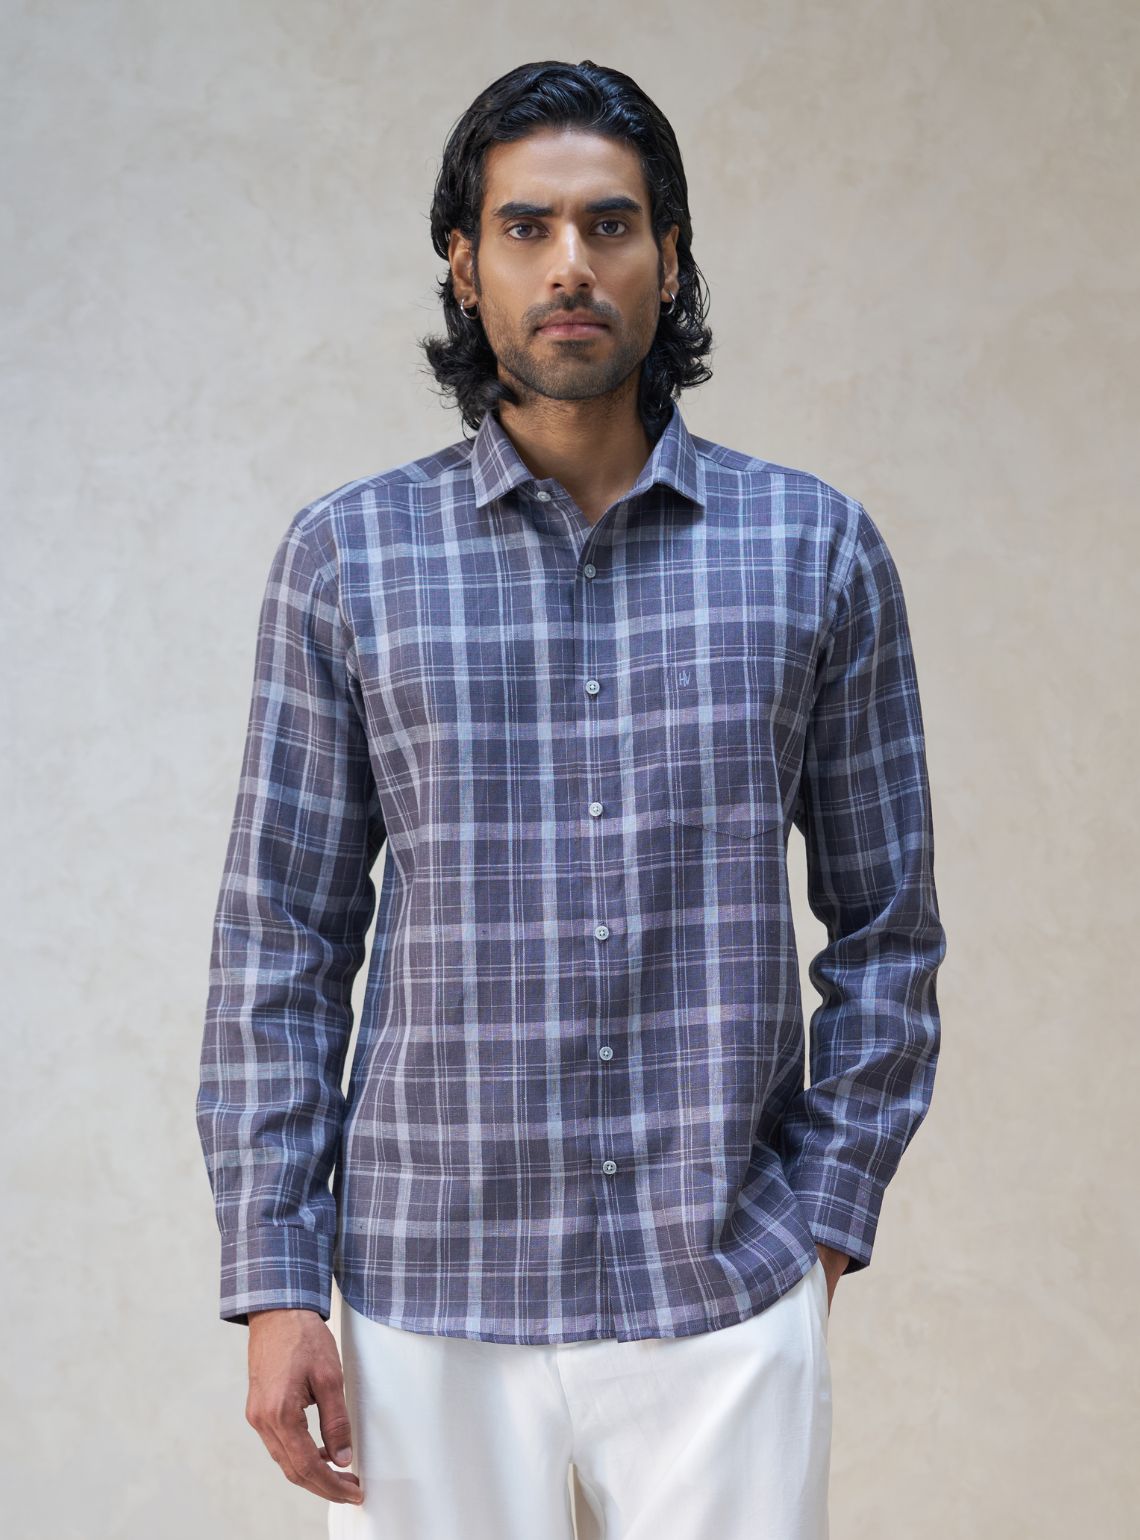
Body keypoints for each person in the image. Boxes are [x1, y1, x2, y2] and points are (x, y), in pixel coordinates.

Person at [196, 57, 947, 1540]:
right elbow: (280, 938)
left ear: (670, 256)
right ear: (463, 265)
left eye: (610, 224)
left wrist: (821, 1236)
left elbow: (889, 932)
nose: (570, 266)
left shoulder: (817, 551)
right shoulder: (349, 559)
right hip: (424, 1292)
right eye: (525, 228)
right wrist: (276, 1280)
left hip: (722, 1285)